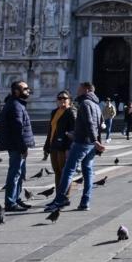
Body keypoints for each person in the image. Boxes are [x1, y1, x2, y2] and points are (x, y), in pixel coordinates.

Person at [48, 82, 105, 212]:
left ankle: (59, 200)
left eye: (79, 88)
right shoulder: (96, 105)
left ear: (87, 90)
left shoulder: (85, 104)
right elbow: (101, 124)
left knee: (68, 170)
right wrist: (94, 140)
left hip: (82, 143)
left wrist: (94, 140)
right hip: (89, 144)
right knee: (88, 172)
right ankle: (85, 202)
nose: (77, 90)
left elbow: (90, 123)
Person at [0, 81, 35, 212]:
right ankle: (10, 202)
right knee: (15, 173)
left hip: (16, 145)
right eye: (25, 89)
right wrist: (23, 147)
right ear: (16, 91)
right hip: (16, 146)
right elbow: (17, 129)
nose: (28, 91)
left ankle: (16, 198)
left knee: (19, 173)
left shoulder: (17, 104)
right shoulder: (15, 106)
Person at [43, 91, 77, 206]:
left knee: (64, 172)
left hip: (63, 147)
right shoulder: (54, 112)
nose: (62, 100)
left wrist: (68, 147)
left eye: (65, 98)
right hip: (54, 145)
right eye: (60, 98)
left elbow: (73, 132)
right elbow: (51, 130)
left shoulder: (71, 112)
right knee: (57, 172)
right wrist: (47, 144)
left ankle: (65, 197)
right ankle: (58, 196)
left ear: (69, 100)